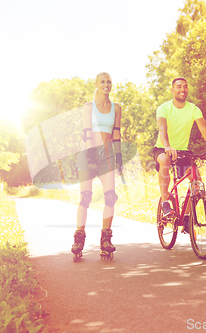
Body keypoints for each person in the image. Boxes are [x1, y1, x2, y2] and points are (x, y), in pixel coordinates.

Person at [153, 77, 206, 218]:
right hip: (163, 148)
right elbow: (162, 129)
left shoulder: (193, 109)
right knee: (165, 160)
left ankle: (186, 218)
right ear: (172, 90)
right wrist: (167, 146)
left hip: (183, 152)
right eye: (179, 87)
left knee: (197, 182)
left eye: (185, 87)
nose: (182, 89)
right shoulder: (164, 108)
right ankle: (165, 203)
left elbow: (204, 130)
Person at [72, 72, 122, 261]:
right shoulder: (88, 107)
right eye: (102, 82)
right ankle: (79, 239)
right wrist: (91, 155)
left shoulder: (116, 108)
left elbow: (116, 132)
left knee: (110, 197)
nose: (106, 84)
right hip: (89, 154)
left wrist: (118, 157)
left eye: (109, 81)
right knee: (85, 197)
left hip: (107, 155)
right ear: (96, 84)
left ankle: (106, 240)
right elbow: (87, 132)